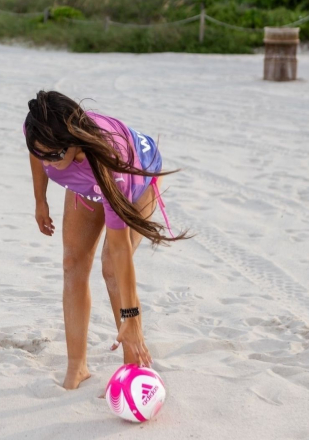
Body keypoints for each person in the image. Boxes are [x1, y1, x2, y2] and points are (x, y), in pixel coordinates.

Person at [23, 90, 190, 390]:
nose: (47, 161)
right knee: (72, 262)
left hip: (137, 178)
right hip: (85, 179)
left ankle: (132, 365)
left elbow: (120, 251)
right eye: (42, 153)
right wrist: (40, 200)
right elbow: (39, 153)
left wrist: (132, 318)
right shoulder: (40, 127)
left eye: (54, 155)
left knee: (111, 266)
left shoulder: (112, 169)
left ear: (73, 139)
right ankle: (77, 367)